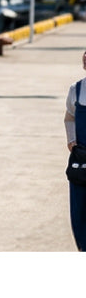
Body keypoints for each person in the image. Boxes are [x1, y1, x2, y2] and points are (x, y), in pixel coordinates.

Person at [63, 48, 86, 251]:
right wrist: (71, 141)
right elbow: (70, 117)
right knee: (79, 210)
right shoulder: (76, 89)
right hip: (81, 159)